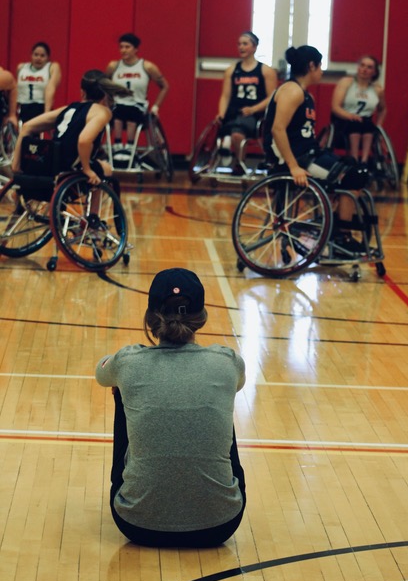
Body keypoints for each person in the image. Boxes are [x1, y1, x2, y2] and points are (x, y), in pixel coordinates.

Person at [96, 267, 246, 548]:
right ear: (200, 318)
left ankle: (142, 494)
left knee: (120, 389)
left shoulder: (129, 360)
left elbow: (100, 373)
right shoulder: (227, 361)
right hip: (221, 524)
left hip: (137, 524)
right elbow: (237, 384)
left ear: (152, 318)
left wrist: (118, 365)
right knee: (219, 396)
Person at [263, 45, 369, 254]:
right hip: (297, 158)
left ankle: (331, 224)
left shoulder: (303, 93)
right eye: (320, 66)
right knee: (352, 177)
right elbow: (277, 129)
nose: (321, 71)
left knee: (353, 168)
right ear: (311, 66)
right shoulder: (292, 91)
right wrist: (293, 167)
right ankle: (341, 237)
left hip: (308, 153)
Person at [12, 69, 131, 185]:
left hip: (47, 161)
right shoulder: (102, 111)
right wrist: (87, 169)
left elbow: (27, 126)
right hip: (68, 166)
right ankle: (95, 206)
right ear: (105, 95)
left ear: (82, 92)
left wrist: (16, 165)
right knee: (105, 168)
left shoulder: (69, 108)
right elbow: (84, 140)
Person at [216, 31, 277, 174]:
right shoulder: (232, 70)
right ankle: (224, 145)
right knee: (222, 125)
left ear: (254, 47)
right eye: (239, 44)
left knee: (237, 134)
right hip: (234, 111)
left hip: (254, 114)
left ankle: (239, 163)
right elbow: (225, 96)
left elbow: (272, 97)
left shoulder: (266, 71)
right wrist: (221, 113)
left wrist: (253, 109)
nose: (241, 47)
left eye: (245, 44)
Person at [106, 32, 169, 160]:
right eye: (121, 47)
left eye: (127, 47)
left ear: (136, 49)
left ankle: (129, 147)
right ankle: (117, 145)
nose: (123, 50)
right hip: (118, 105)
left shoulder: (147, 67)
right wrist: (107, 103)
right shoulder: (113, 66)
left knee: (130, 112)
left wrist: (156, 107)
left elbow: (165, 86)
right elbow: (104, 86)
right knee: (117, 112)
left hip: (137, 105)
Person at [331, 55, 386, 163]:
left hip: (365, 121)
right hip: (345, 119)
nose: (364, 69)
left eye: (369, 67)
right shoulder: (346, 82)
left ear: (374, 72)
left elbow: (382, 109)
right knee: (356, 124)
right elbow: (335, 107)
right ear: (358, 67)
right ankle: (354, 159)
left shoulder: (377, 90)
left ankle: (364, 161)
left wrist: (379, 125)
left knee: (368, 125)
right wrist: (350, 116)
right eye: (362, 65)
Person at [16, 42, 62, 123]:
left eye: (42, 56)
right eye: (36, 55)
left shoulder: (52, 67)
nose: (38, 58)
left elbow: (50, 89)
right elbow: (16, 89)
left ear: (48, 57)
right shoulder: (22, 67)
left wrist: (46, 113)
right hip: (23, 107)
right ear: (31, 55)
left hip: (41, 106)